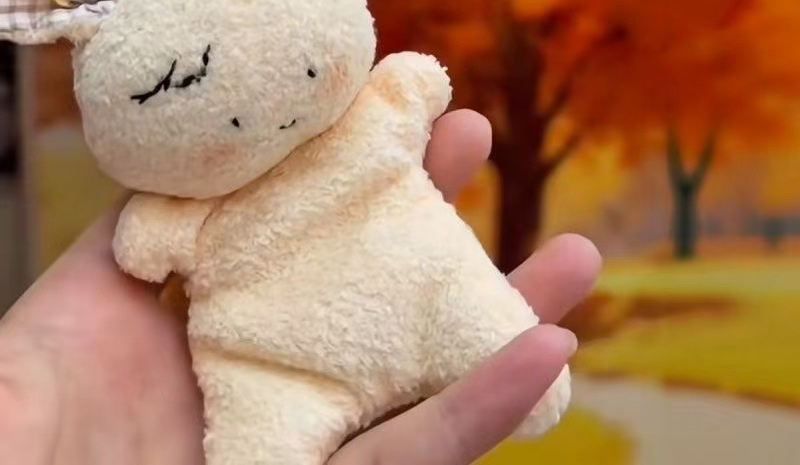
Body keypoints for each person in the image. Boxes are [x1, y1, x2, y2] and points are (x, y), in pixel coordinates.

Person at [0, 110, 600, 464]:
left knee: (509, 354)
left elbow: (141, 245)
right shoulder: (187, 205)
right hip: (266, 366)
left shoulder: (365, 123)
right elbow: (142, 244)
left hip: (422, 289)